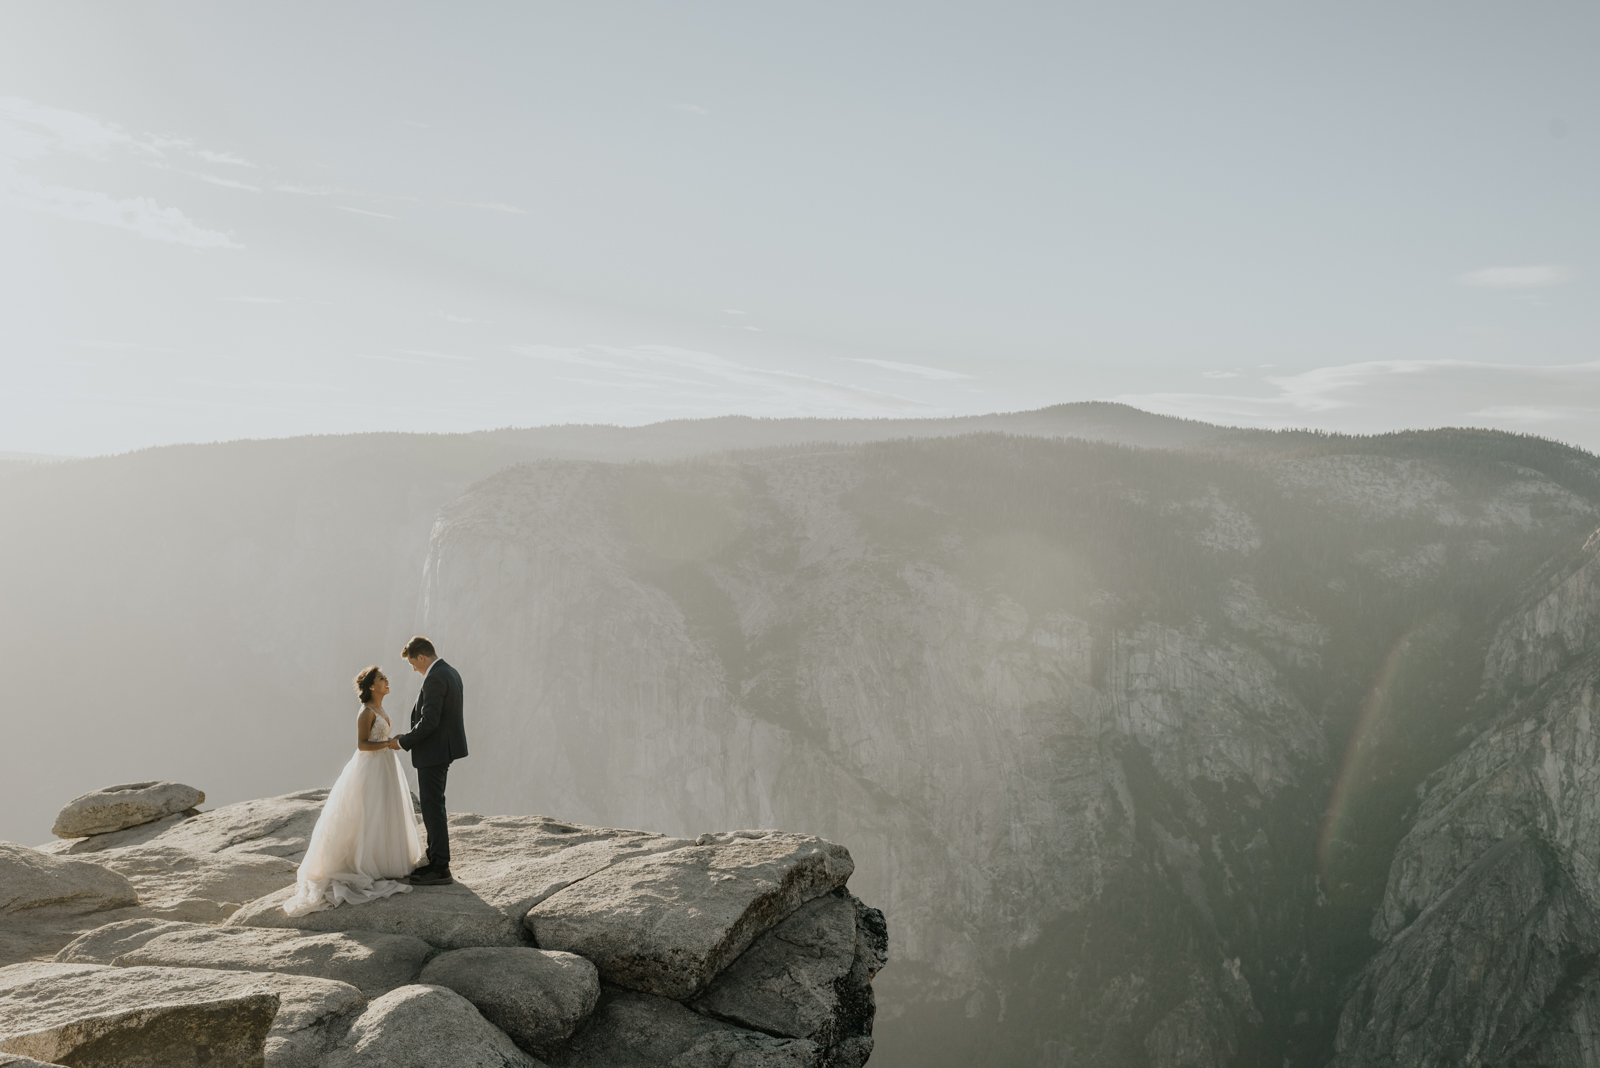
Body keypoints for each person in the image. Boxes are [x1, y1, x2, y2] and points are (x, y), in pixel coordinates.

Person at [282, 666, 426, 916]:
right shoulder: (366, 712)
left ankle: (382, 859)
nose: (387, 680)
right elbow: (361, 745)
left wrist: (394, 740)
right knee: (368, 813)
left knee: (384, 811)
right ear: (372, 686)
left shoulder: (379, 709)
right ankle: (364, 862)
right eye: (382, 678)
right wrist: (389, 743)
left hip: (385, 765)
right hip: (370, 767)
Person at [394, 636, 468, 886]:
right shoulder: (451, 672)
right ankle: (436, 858)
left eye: (413, 664)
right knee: (434, 804)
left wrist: (404, 742)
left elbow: (430, 721)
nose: (415, 669)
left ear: (422, 657)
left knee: (432, 807)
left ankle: (439, 866)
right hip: (442, 750)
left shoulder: (435, 677)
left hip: (433, 753)